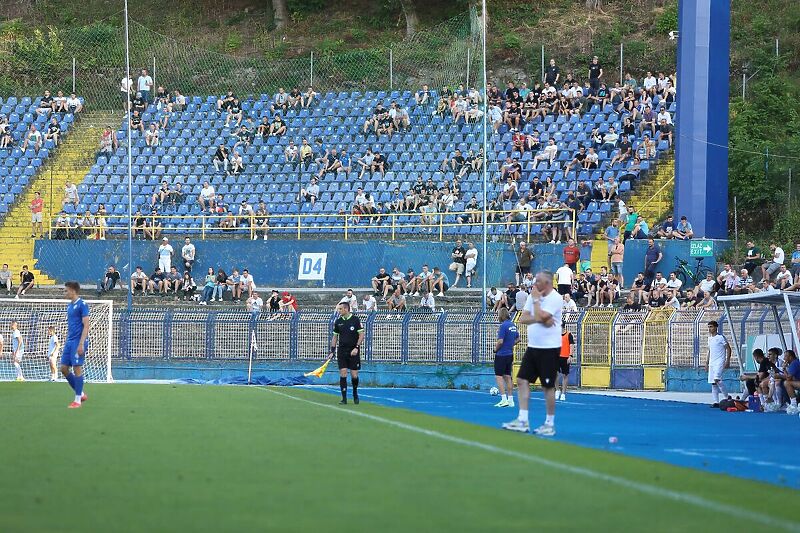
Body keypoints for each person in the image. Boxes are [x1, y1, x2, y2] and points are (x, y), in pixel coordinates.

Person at [503, 271, 563, 436]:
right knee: (522, 380)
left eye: (538, 281)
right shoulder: (533, 295)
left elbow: (542, 315)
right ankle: (522, 420)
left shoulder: (555, 298)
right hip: (533, 346)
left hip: (549, 348)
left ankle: (549, 423)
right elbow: (524, 318)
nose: (534, 284)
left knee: (547, 386)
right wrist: (541, 318)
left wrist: (537, 304)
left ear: (547, 283)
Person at [61, 282, 91, 408]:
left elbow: (86, 325)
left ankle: (77, 400)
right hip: (70, 341)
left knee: (77, 368)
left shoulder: (82, 305)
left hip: (78, 341)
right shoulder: (69, 306)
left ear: (73, 291)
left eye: (66, 290)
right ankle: (81, 393)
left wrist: (81, 344)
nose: (65, 293)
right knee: (63, 368)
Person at [330, 302, 364, 405]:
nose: (339, 311)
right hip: (342, 351)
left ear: (346, 309)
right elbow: (335, 337)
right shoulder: (338, 321)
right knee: (343, 372)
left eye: (340, 309)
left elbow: (361, 335)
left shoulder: (355, 320)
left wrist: (356, 348)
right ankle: (344, 398)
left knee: (354, 375)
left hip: (353, 351)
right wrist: (332, 351)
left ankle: (355, 393)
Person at [493, 308, 519, 408]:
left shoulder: (503, 326)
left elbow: (500, 341)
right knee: (508, 376)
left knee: (499, 376)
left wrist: (496, 349)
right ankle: (511, 400)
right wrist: (510, 344)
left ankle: (503, 399)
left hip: (502, 354)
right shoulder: (512, 325)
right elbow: (518, 338)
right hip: (510, 354)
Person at [705, 320, 731, 408]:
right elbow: (709, 351)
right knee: (713, 382)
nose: (709, 329)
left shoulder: (720, 337)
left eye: (711, 327)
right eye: (709, 327)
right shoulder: (709, 338)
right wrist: (707, 363)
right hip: (712, 362)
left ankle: (727, 397)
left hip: (719, 361)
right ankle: (716, 401)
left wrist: (727, 360)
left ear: (716, 327)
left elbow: (728, 348)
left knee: (717, 379)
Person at [556, 322, 575, 401]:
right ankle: (557, 390)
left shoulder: (569, 334)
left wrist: (570, 355)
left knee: (565, 375)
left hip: (565, 357)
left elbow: (571, 346)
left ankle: (563, 393)